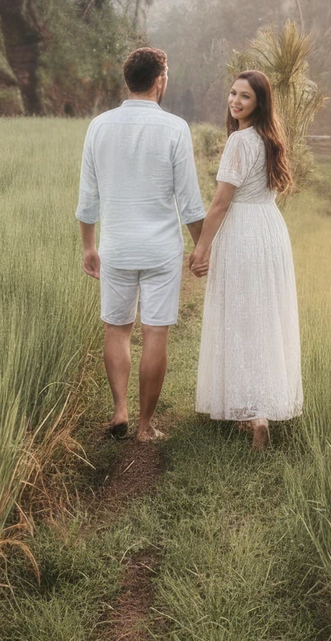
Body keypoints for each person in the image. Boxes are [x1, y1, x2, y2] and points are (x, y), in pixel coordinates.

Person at [76, 45, 205, 442]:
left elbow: (88, 197)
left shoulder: (98, 125)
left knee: (116, 329)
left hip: (116, 246)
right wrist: (201, 248)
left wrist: (88, 246)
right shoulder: (175, 128)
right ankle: (146, 427)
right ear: (160, 80)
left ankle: (119, 411)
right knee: (155, 332)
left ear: (127, 81)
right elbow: (189, 201)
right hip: (160, 250)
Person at [190, 69, 302, 449]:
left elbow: (222, 202)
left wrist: (201, 247)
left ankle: (253, 412)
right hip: (270, 230)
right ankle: (259, 409)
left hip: (243, 231)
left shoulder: (240, 141)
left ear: (259, 103)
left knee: (241, 315)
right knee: (265, 316)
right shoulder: (270, 139)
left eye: (245, 97)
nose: (235, 101)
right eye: (233, 93)